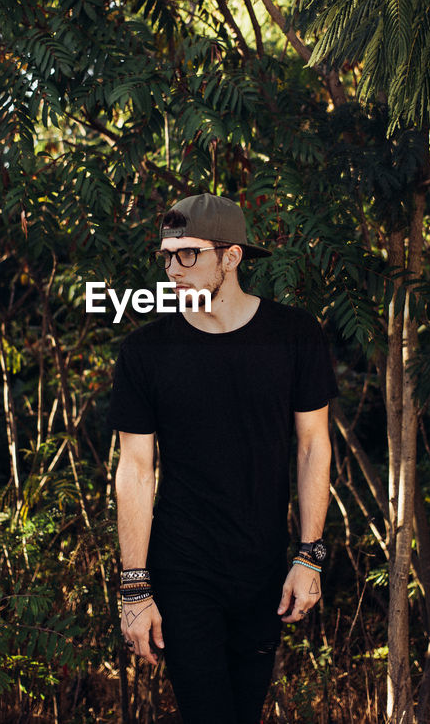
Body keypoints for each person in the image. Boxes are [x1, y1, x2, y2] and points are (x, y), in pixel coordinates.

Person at [110, 193, 337, 723]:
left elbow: (313, 446)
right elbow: (136, 471)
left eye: (187, 254)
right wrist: (134, 587)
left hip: (260, 569)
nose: (172, 269)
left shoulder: (294, 336)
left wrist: (309, 556)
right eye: (167, 256)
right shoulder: (146, 351)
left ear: (231, 257)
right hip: (182, 568)